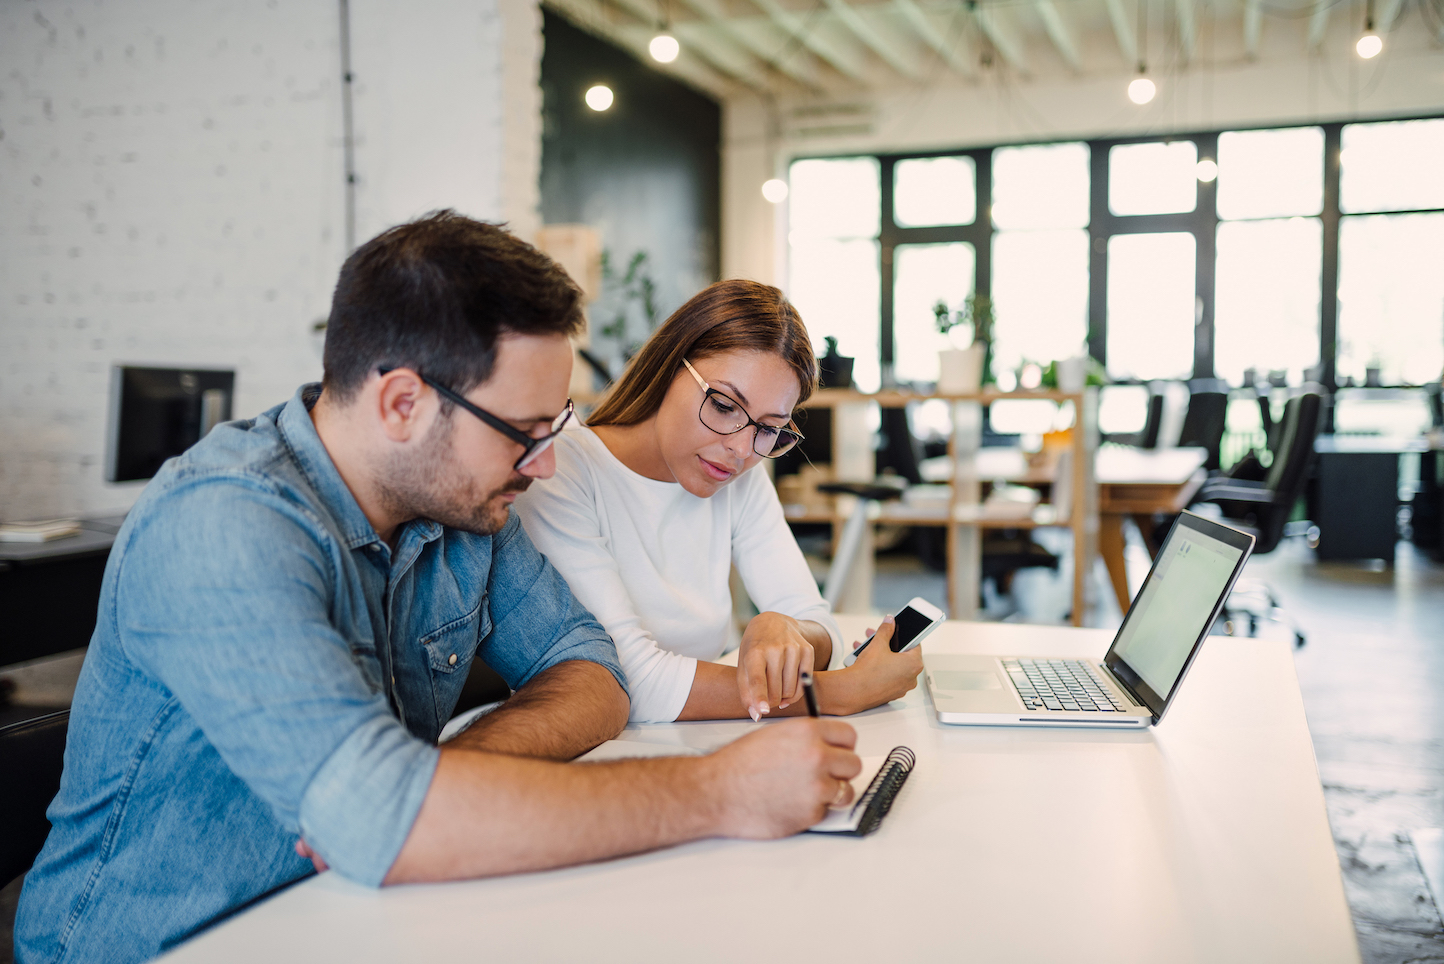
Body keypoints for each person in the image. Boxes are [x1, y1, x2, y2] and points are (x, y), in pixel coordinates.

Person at [15, 214, 865, 964]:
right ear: (401, 404)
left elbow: (594, 673)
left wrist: (450, 776)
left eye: (555, 426)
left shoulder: (465, 512)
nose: (545, 464)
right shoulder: (224, 526)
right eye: (524, 433)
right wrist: (719, 792)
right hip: (178, 942)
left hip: (361, 912)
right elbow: (388, 822)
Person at [514, 280, 923, 724]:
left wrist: (784, 628)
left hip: (700, 742)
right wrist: (843, 691)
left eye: (769, 429)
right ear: (672, 366)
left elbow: (818, 623)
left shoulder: (739, 476)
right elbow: (626, 679)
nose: (742, 449)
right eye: (725, 405)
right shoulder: (561, 472)